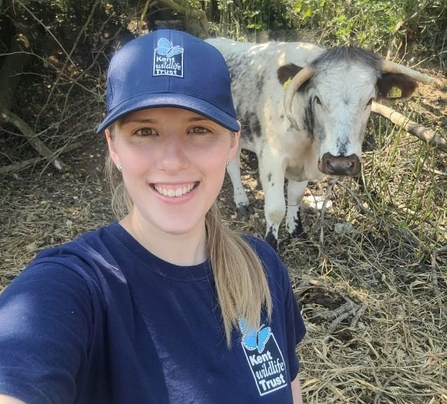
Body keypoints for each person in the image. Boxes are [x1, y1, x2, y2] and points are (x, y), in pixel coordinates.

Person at [0, 29, 306, 404]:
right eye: (145, 131)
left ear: (232, 143)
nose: (173, 161)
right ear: (113, 146)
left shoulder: (264, 270)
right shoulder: (73, 287)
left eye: (199, 129)